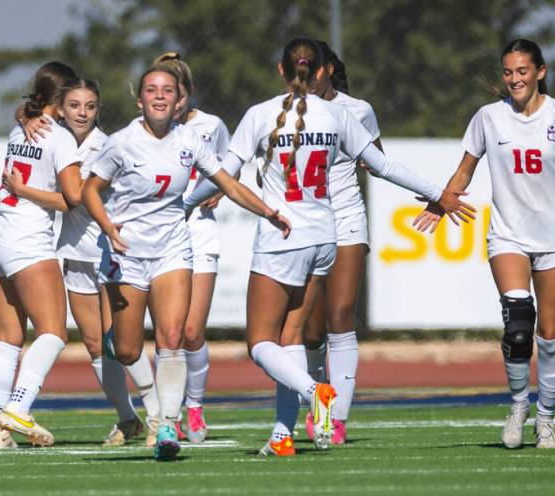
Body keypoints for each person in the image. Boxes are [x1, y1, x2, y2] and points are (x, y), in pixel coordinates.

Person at [185, 38, 472, 456]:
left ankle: (315, 390)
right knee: (293, 337)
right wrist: (440, 192)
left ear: (282, 71)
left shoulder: (263, 114)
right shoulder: (338, 113)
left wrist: (179, 204)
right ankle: (283, 436)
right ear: (322, 71)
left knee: (260, 343)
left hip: (283, 238)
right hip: (325, 236)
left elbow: (225, 175)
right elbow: (382, 165)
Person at [414, 39, 555, 449]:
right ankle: (519, 406)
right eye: (508, 72)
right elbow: (464, 170)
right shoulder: (488, 118)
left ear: (539, 72)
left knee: (549, 334)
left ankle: (546, 419)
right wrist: (442, 201)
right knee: (519, 324)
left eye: (522, 71)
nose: (514, 79)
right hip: (507, 235)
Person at [82, 66, 290, 461]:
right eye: (151, 90)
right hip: (126, 253)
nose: (159, 96)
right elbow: (90, 189)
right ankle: (147, 393)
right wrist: (107, 226)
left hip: (174, 249)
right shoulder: (122, 143)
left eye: (167, 91)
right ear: (138, 99)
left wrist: (268, 211)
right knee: (126, 349)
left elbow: (228, 182)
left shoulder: (191, 140)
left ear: (179, 100)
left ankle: (166, 425)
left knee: (172, 337)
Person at [50, 78, 161, 446]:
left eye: (91, 106)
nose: (83, 113)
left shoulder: (107, 145)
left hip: (107, 251)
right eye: (75, 105)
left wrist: (24, 191)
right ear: (61, 108)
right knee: (96, 347)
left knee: (121, 342)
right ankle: (129, 420)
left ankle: (158, 414)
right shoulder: (55, 138)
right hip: (74, 253)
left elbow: (77, 197)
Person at [0, 61, 82, 449]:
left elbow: (24, 115)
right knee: (54, 332)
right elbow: (71, 199)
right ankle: (18, 409)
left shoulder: (20, 125)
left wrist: (23, 113)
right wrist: (27, 192)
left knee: (8, 338)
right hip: (25, 238)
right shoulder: (60, 138)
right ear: (62, 97)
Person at [301, 41, 382, 445]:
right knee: (310, 331)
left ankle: (336, 417)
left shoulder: (358, 110)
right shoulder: (284, 112)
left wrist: (433, 193)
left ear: (329, 69)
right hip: (305, 225)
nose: (308, 77)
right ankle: (320, 403)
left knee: (341, 316)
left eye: (313, 68)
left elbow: (377, 159)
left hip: (348, 219)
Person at [151, 51, 232, 443]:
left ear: (186, 95)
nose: (169, 101)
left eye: (176, 94)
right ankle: (168, 412)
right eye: (161, 93)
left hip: (199, 233)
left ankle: (195, 405)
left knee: (192, 329)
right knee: (167, 333)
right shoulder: (144, 131)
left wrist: (218, 193)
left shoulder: (211, 126)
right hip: (159, 237)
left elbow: (227, 170)